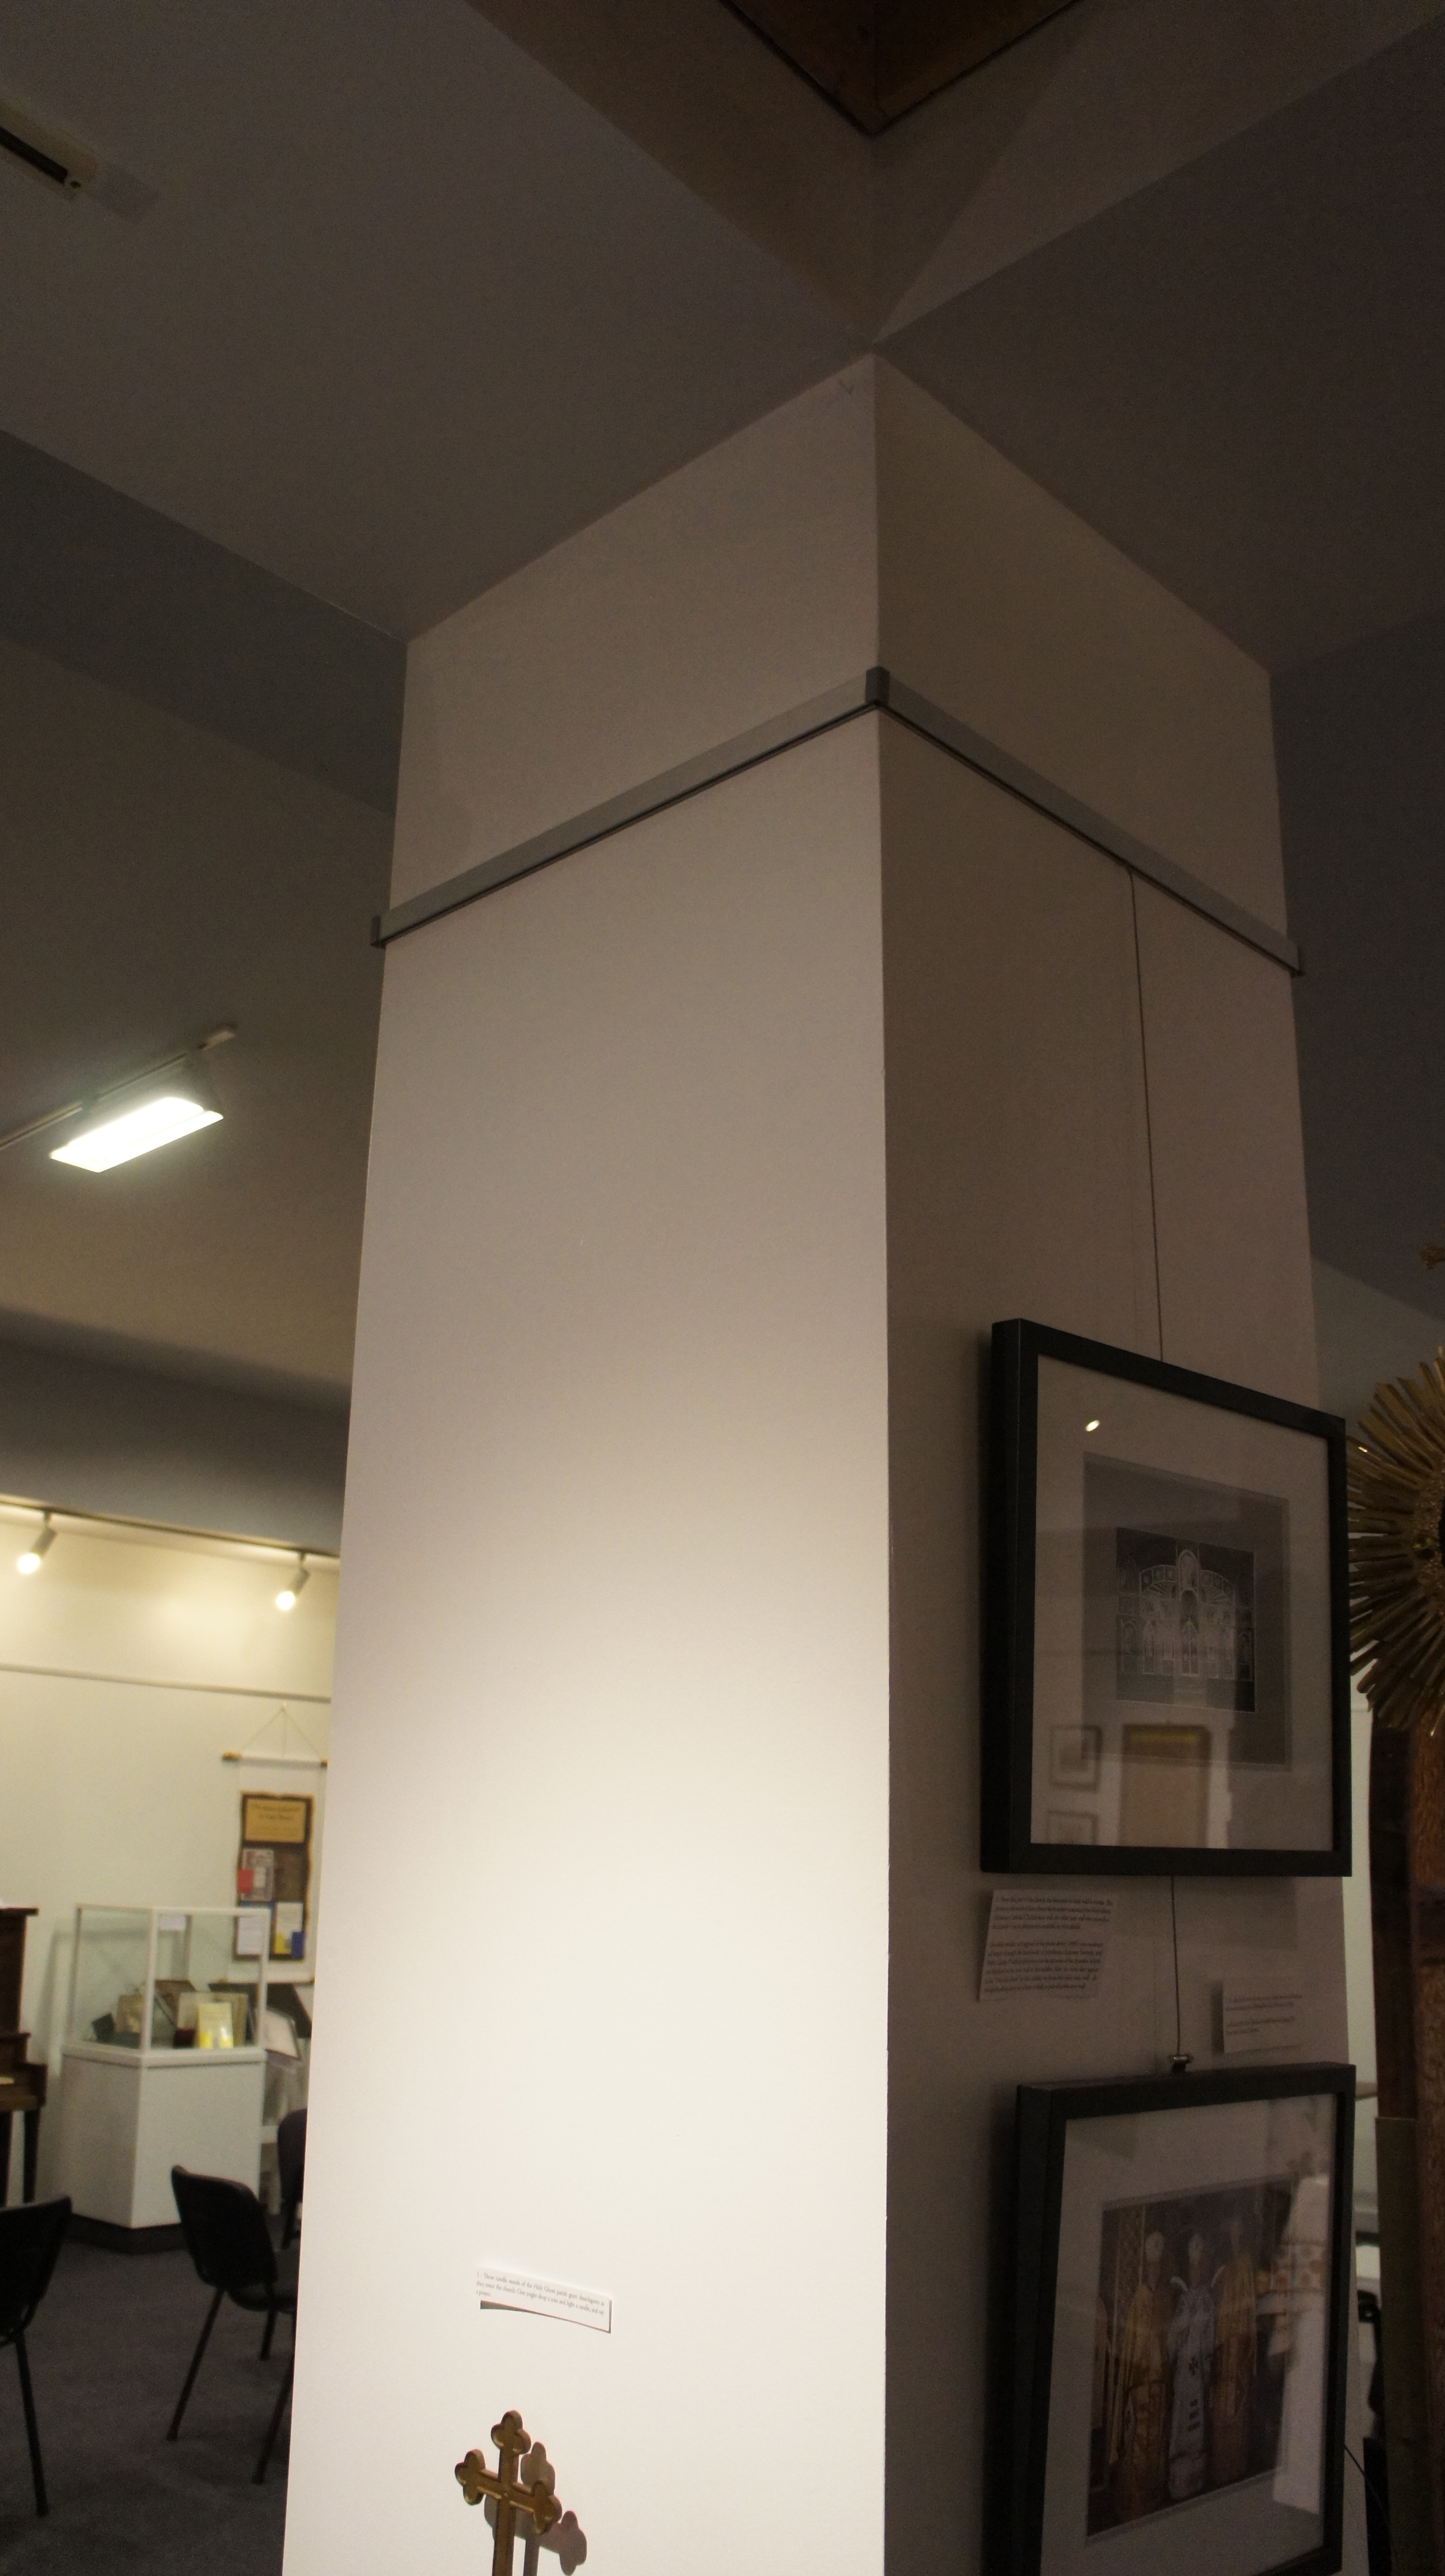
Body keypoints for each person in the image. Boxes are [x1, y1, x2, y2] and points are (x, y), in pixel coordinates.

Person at [1111, 2232, 1172, 2519]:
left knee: (1156, 2441)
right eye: (1153, 2247)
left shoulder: (1166, 2297)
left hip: (1160, 2384)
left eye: (1161, 2247)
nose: (1155, 2265)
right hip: (1141, 2386)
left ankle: (1152, 2496)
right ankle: (1133, 2500)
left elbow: (1167, 2339)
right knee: (1138, 2442)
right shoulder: (1139, 2300)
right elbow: (1133, 2346)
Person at [1166, 2232, 1215, 2500]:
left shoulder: (1207, 2300)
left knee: (1198, 2415)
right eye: (1192, 2265)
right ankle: (1179, 2470)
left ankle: (1196, 2470)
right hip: (1184, 2366)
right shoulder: (1183, 2300)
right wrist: (1182, 2326)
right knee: (1182, 2413)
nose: (1196, 2270)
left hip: (1199, 2367)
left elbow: (1210, 2333)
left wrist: (1208, 2360)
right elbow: (1172, 2338)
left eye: (1200, 2265)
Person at [1211, 2212, 1258, 2485]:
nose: (1235, 2231)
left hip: (1238, 2339)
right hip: (1224, 2338)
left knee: (1238, 2395)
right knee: (1223, 2397)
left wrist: (1248, 2337)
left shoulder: (1245, 2263)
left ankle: (1236, 2462)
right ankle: (1221, 2462)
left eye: (1239, 2226)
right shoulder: (1225, 2263)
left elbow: (1249, 2303)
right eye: (1232, 2226)